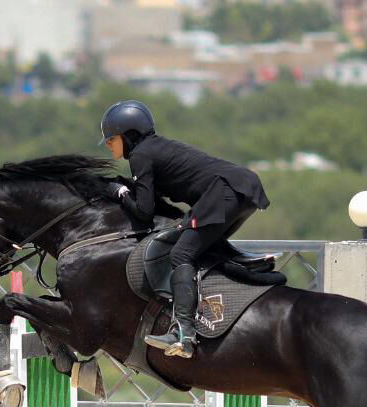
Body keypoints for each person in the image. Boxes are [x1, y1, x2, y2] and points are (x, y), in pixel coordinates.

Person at [100, 99, 269, 359]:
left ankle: (183, 332)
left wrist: (120, 192)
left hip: (223, 192)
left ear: (128, 135)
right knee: (198, 244)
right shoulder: (153, 149)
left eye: (112, 138)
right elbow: (153, 202)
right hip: (242, 187)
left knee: (180, 254)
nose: (109, 144)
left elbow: (144, 212)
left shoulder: (140, 155)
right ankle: (247, 263)